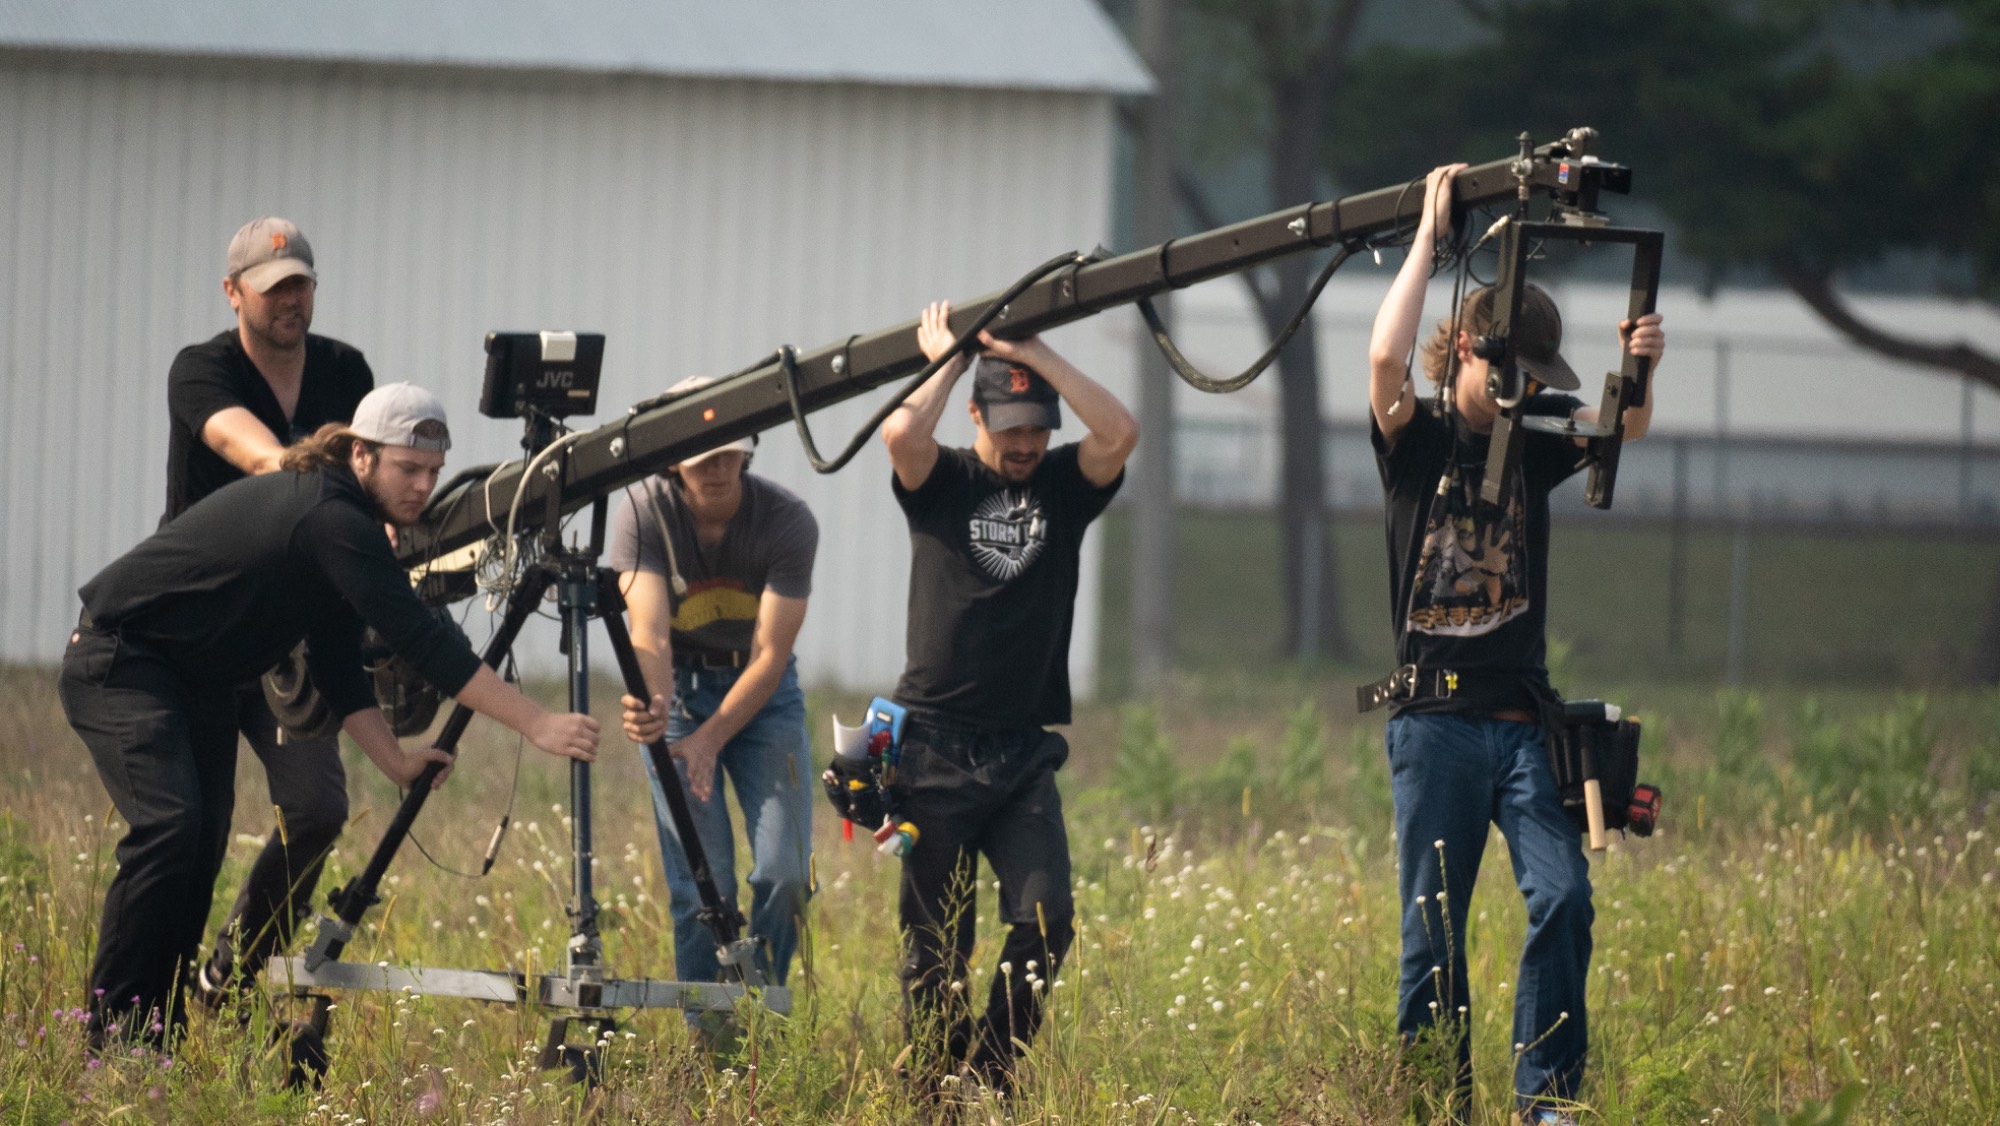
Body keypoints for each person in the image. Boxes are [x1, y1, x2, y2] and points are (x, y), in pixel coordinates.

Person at [61, 383, 601, 1049]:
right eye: (409, 469)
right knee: (171, 828)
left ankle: (153, 1035)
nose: (423, 487)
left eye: (433, 472)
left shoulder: (345, 524)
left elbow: (338, 664)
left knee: (197, 848)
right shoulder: (328, 514)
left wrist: (396, 761)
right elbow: (422, 640)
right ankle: (111, 1035)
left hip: (194, 680)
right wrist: (536, 723)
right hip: (123, 658)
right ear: (361, 455)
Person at [1363, 164, 1667, 1126]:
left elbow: (1623, 429)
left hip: (1524, 725)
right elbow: (1381, 363)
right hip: (1434, 725)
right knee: (1433, 931)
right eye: (1511, 371)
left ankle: (1548, 1103)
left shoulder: (1534, 446)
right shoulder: (1415, 443)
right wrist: (1424, 237)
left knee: (1564, 897)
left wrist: (1643, 361)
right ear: (1467, 351)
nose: (1522, 391)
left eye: (1535, 378)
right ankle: (1428, 1106)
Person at [877, 302, 1139, 1095]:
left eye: (1037, 427)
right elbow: (899, 437)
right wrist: (950, 359)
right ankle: (932, 1094)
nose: (1026, 443)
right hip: (931, 747)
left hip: (1022, 750)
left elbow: (1120, 431)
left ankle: (989, 1072)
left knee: (1047, 919)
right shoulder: (944, 481)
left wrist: (1038, 354)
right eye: (1010, 426)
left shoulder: (1064, 487)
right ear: (978, 416)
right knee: (936, 953)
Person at [160, 216, 379, 1007]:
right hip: (205, 632)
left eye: (302, 284)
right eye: (274, 285)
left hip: (294, 634)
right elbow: (251, 451)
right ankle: (150, 1009)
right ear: (234, 292)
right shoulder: (202, 370)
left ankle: (231, 968)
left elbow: (375, 483)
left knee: (318, 807)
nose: (291, 299)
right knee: (195, 830)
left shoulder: (344, 369)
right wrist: (315, 471)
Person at [613, 376, 819, 1020]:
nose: (718, 467)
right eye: (703, 457)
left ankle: (763, 1010)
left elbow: (771, 655)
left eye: (729, 452)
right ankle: (710, 1037)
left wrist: (709, 738)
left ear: (749, 449)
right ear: (674, 459)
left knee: (783, 874)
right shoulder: (644, 514)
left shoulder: (787, 521)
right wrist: (655, 710)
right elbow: (647, 632)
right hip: (676, 691)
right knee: (700, 885)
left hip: (762, 695)